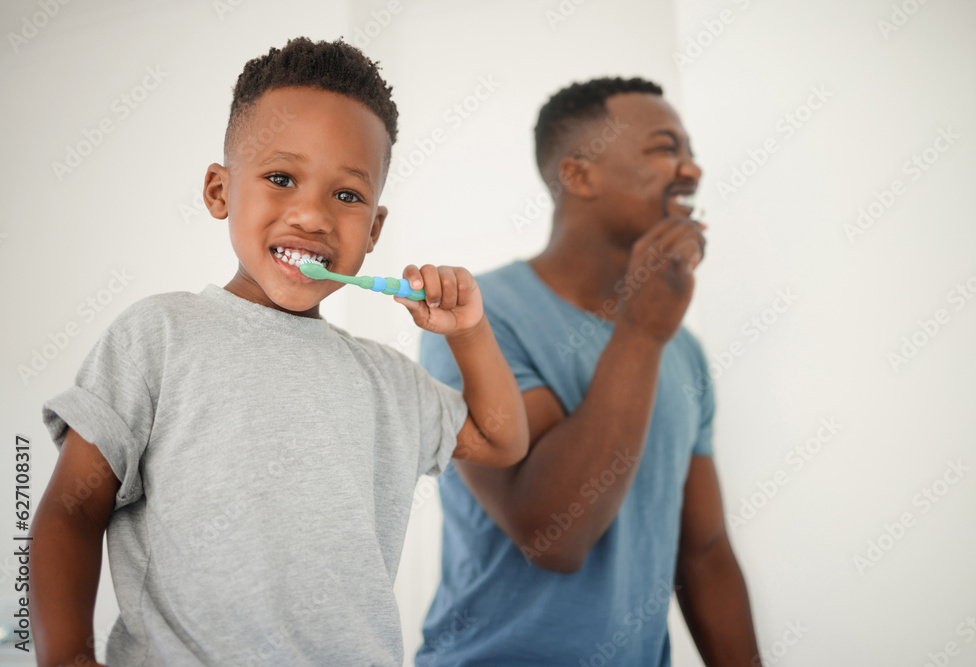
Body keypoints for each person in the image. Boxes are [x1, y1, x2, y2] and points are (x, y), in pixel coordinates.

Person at [29, 37, 528, 667]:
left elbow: (501, 440)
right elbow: (69, 513)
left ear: (373, 229)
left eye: (346, 195)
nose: (312, 215)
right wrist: (66, 658)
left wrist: (468, 331)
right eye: (281, 178)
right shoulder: (160, 335)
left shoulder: (386, 381)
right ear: (219, 191)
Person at [416, 77, 759, 666]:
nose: (692, 171)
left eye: (692, 152)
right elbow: (552, 533)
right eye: (664, 148)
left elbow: (703, 553)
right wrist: (641, 332)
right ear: (578, 175)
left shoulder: (685, 352)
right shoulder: (471, 316)